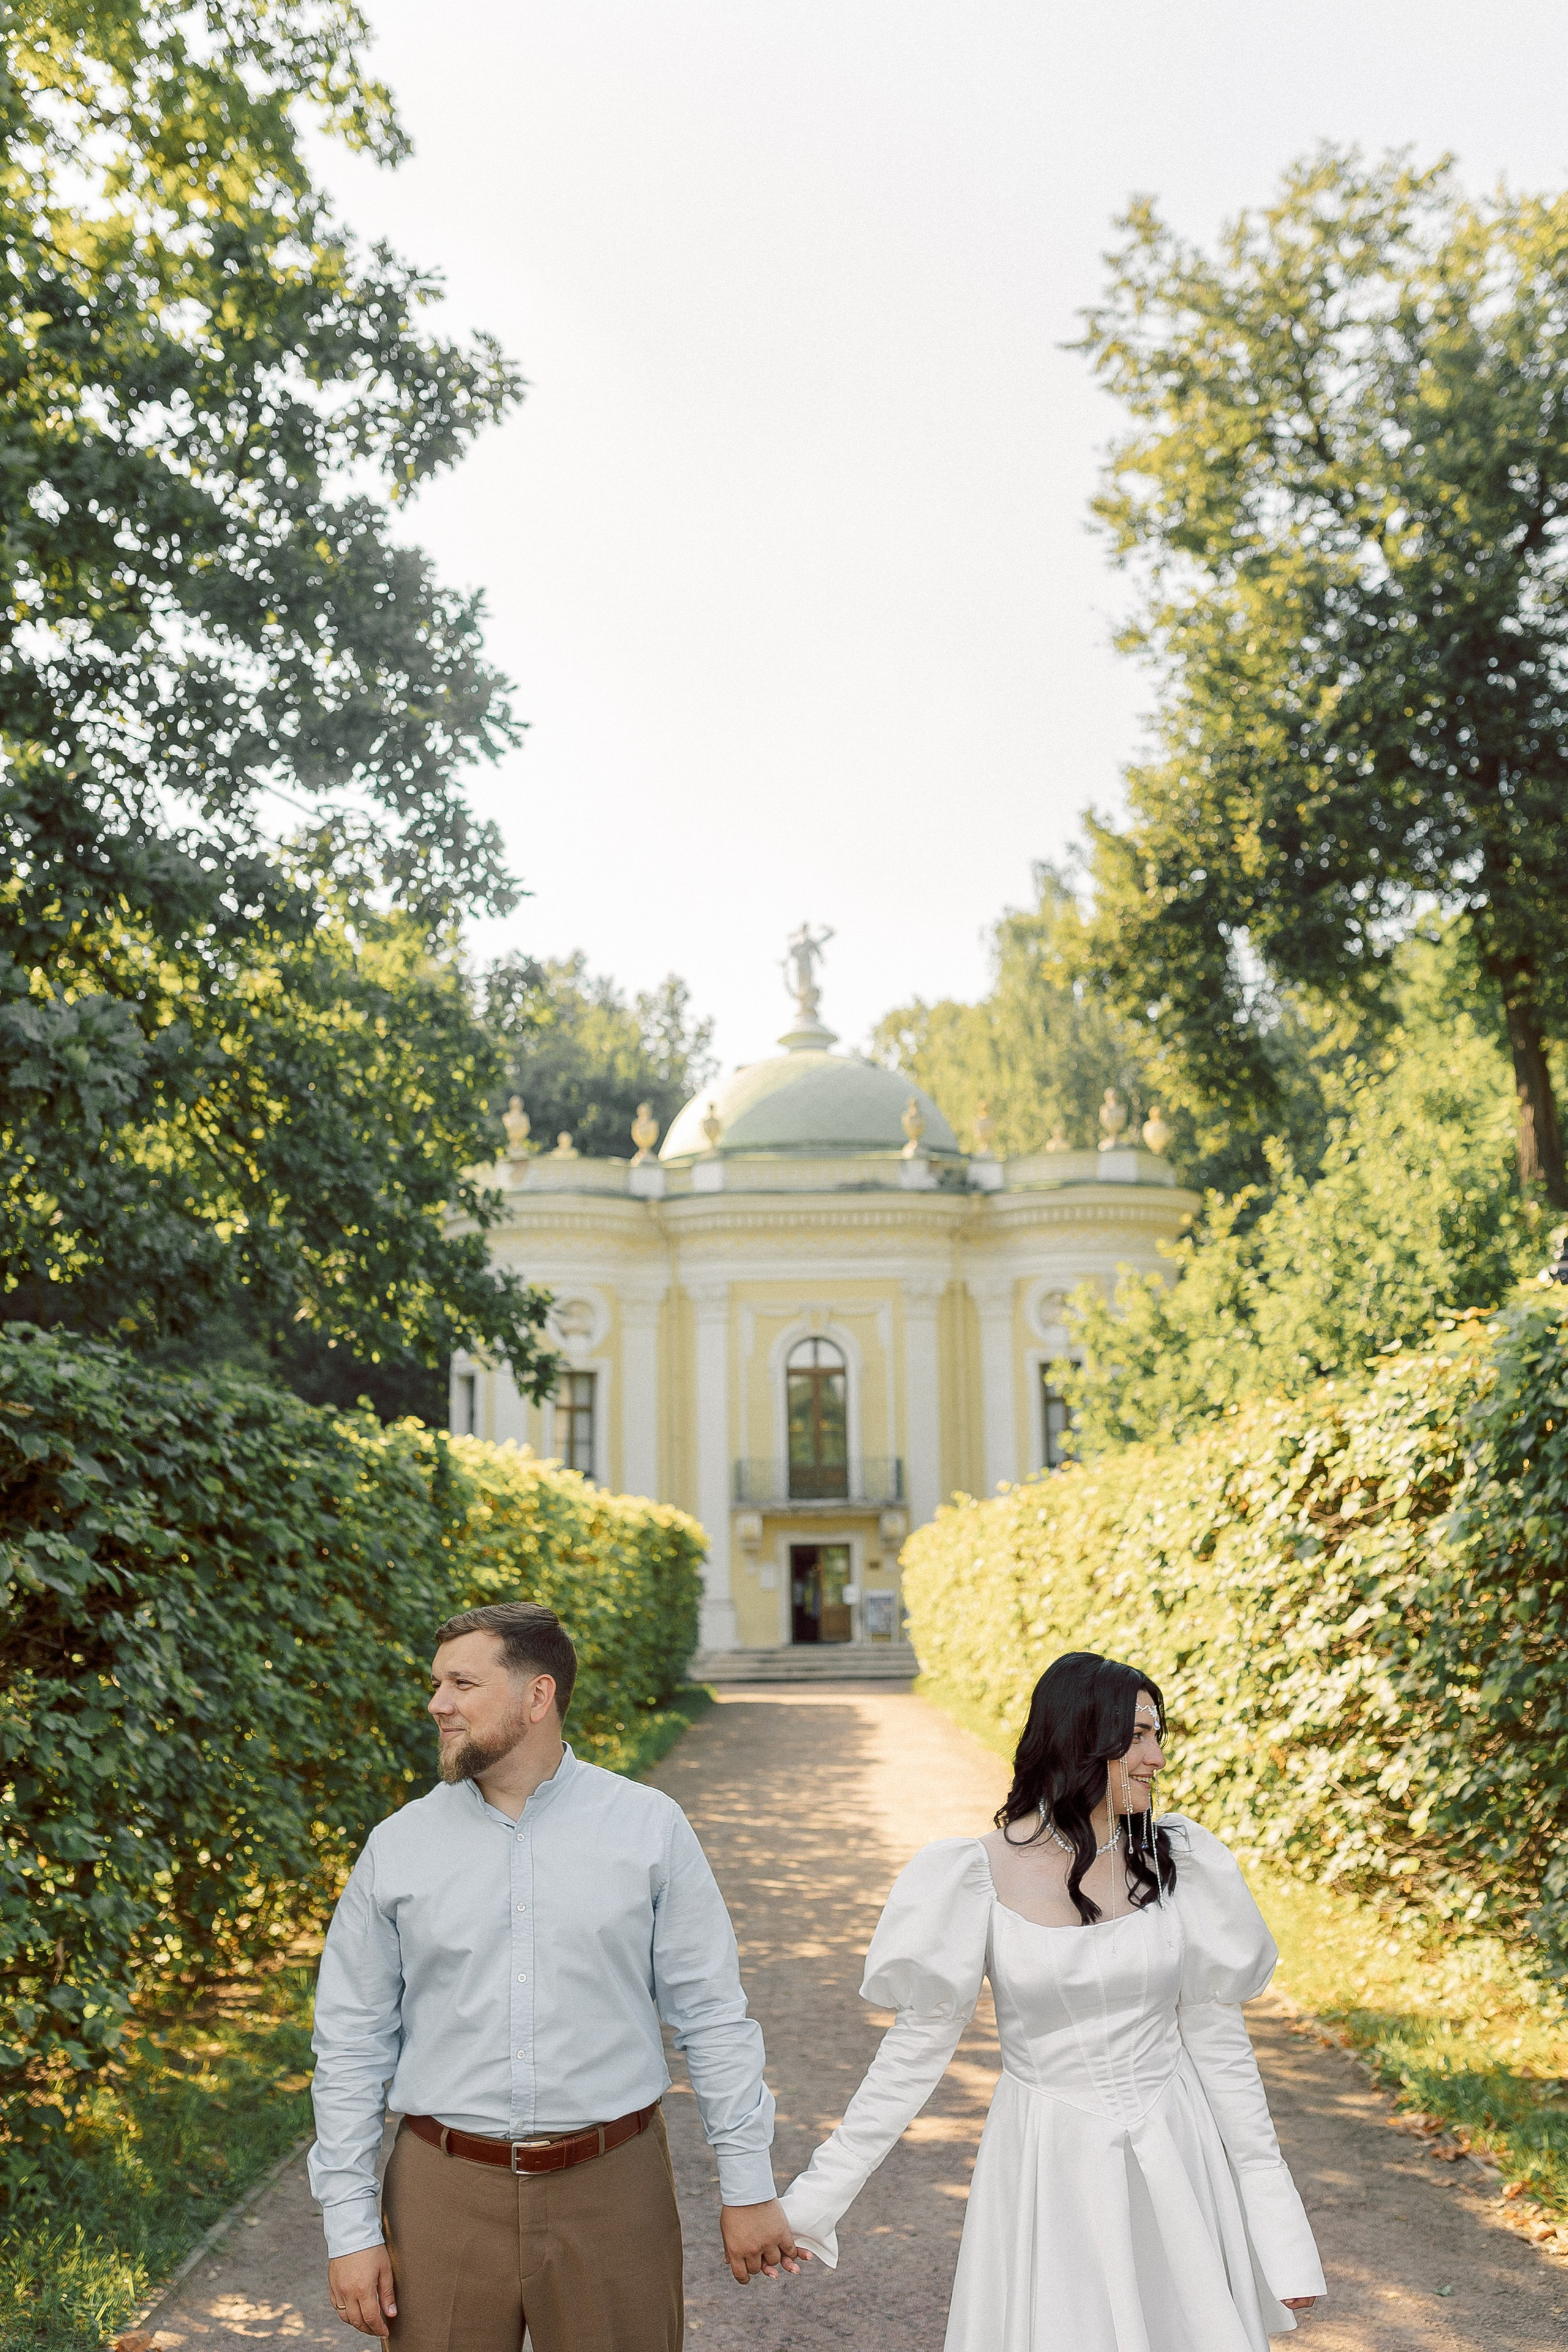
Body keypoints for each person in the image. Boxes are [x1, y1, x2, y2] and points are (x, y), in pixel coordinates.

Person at [780, 1649, 1326, 2350]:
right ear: (1077, 1740)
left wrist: (1280, 2236)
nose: (1157, 1757)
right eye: (1136, 1737)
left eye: (1158, 1735)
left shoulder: (1179, 1862)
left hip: (1176, 2157)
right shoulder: (972, 1875)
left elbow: (1222, 2050)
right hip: (1048, 2168)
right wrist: (811, 2204)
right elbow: (910, 2058)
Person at [309, 1600, 805, 2352]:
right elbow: (350, 2041)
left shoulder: (648, 1827)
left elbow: (710, 2015)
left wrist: (749, 2186)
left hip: (614, 2189)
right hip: (441, 2194)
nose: (437, 1704)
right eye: (437, 1684)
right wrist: (349, 2228)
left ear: (536, 1697)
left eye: (462, 1685)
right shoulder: (398, 1846)